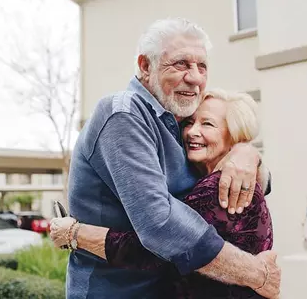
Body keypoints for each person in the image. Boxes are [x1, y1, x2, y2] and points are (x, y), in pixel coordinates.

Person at [61, 17, 280, 299]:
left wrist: (247, 154)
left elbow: (253, 184)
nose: (195, 77)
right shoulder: (124, 115)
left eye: (202, 66)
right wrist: (255, 274)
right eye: (181, 64)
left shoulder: (178, 118)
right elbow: (160, 226)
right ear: (145, 66)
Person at [51, 89, 274, 298]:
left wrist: (74, 234)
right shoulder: (221, 177)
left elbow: (153, 251)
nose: (192, 132)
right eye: (189, 122)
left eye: (207, 124)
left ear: (235, 136)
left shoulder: (218, 189)